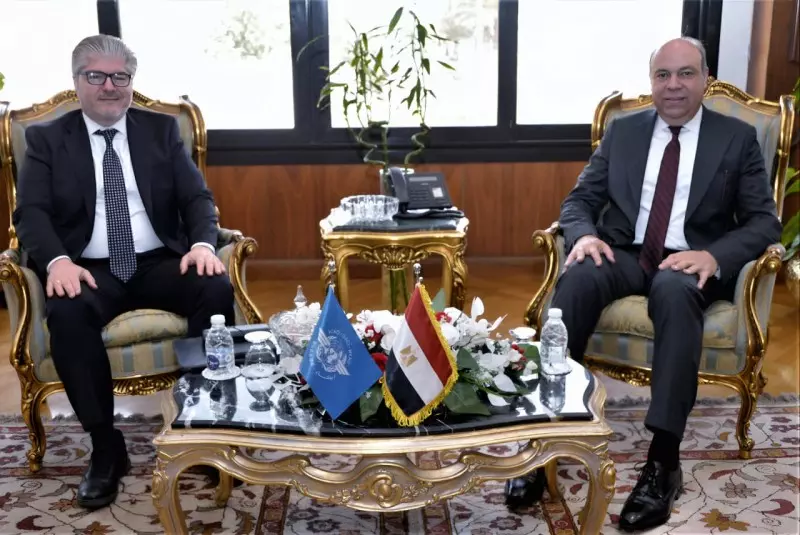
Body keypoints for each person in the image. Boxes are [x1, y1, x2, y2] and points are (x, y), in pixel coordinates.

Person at [504, 36, 782, 531]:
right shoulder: (624, 131)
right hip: (627, 252)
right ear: (651, 81)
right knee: (577, 281)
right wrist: (585, 236)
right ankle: (546, 435)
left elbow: (764, 222)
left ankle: (663, 461)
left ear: (706, 79)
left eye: (686, 73)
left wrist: (713, 256)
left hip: (691, 260)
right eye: (662, 74)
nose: (673, 85)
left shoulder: (736, 138)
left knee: (674, 292)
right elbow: (579, 201)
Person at [13, 35, 235, 509]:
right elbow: (30, 213)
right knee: (67, 312)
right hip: (89, 269)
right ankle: (105, 447)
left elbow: (197, 198)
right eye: (96, 76)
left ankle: (202, 424)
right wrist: (57, 262)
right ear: (77, 82)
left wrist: (201, 244)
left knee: (214, 286)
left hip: (160, 261)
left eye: (121, 76)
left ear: (132, 82)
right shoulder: (47, 139)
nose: (109, 86)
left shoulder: (161, 130)